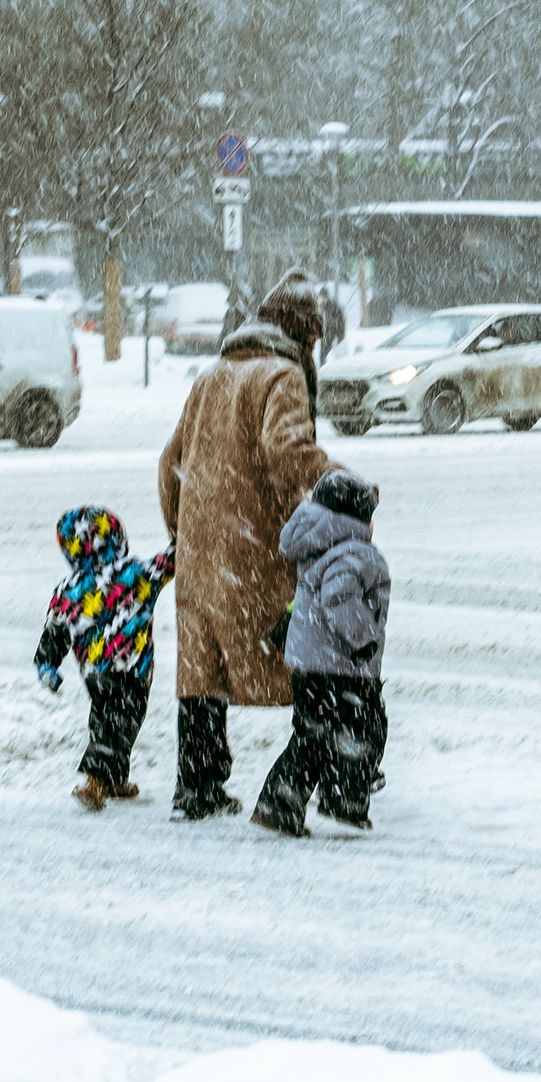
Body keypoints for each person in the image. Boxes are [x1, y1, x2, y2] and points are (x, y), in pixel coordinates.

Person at [156, 287, 336, 821]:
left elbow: (170, 463)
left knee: (201, 673)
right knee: (306, 657)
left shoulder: (211, 376)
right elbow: (289, 453)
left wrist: (182, 531)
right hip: (253, 550)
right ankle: (317, 778)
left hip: (201, 554)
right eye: (312, 339)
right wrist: (344, 487)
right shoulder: (281, 376)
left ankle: (198, 786)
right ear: (301, 336)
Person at [250, 470, 391, 838]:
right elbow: (338, 597)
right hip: (344, 664)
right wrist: (361, 638)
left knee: (312, 737)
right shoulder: (356, 552)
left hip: (313, 666)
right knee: (364, 731)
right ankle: (343, 800)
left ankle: (281, 803)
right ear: (355, 518)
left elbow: (310, 596)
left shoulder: (320, 544)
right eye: (369, 515)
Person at [33, 506, 177, 812]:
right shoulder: (136, 573)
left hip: (95, 672)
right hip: (132, 668)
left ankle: (114, 780)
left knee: (105, 721)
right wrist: (187, 539)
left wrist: (46, 663)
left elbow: (56, 630)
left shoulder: (69, 588)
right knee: (122, 723)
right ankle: (95, 782)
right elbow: (168, 564)